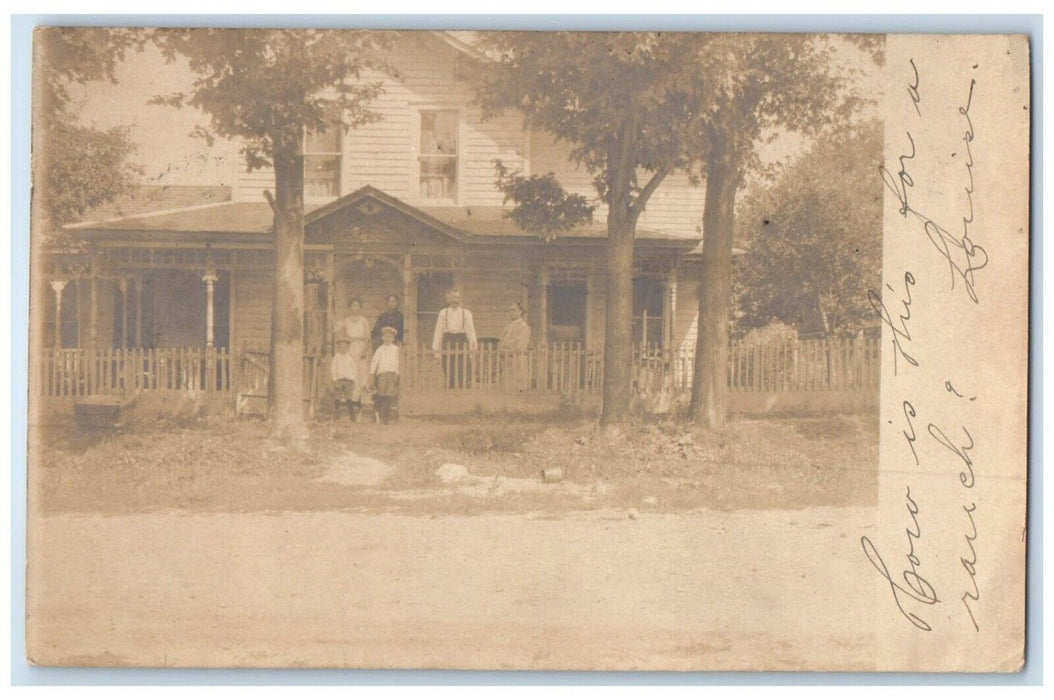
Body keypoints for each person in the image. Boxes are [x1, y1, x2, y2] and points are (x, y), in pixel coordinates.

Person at [431, 289, 477, 389]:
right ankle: (449, 399)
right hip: (448, 342)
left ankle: (463, 400)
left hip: (462, 343)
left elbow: (471, 333)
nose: (454, 300)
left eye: (456, 297)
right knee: (449, 374)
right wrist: (436, 350)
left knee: (463, 374)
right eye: (452, 297)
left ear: (460, 299)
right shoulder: (443, 313)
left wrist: (473, 350)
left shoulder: (466, 314)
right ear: (448, 299)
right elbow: (438, 332)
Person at [334, 297, 371, 418]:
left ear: (360, 307)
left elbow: (367, 338)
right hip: (350, 348)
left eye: (357, 306)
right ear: (350, 307)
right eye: (353, 306)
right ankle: (351, 399)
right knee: (350, 373)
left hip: (361, 348)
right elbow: (335, 329)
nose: (355, 308)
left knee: (361, 373)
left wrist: (365, 350)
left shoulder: (363, 320)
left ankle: (360, 400)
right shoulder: (346, 320)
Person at [369, 326, 401, 424]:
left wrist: (397, 373)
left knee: (389, 395)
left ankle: (385, 417)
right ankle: (377, 415)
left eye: (390, 337)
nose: (388, 339)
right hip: (382, 375)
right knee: (380, 394)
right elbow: (374, 362)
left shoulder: (396, 349)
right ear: (382, 337)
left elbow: (398, 362)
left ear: (393, 339)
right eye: (386, 337)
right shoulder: (380, 350)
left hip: (392, 374)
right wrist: (371, 373)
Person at [498, 302, 531, 392]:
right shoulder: (508, 327)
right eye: (510, 310)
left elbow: (521, 345)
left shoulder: (524, 327)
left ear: (520, 312)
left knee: (517, 388)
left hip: (517, 360)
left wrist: (508, 348)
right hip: (507, 361)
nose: (511, 312)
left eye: (514, 310)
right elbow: (501, 340)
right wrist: (501, 348)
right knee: (506, 388)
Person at [330, 337, 358, 421]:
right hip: (339, 380)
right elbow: (333, 369)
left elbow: (354, 369)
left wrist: (353, 379)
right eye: (341, 347)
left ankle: (352, 415)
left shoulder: (350, 358)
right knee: (337, 397)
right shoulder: (336, 357)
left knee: (349, 397)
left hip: (349, 380)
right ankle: (336, 414)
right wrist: (334, 380)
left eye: (345, 347)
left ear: (348, 348)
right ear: (338, 348)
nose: (343, 349)